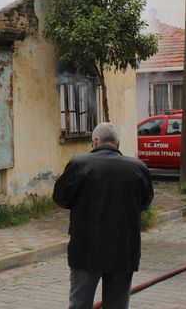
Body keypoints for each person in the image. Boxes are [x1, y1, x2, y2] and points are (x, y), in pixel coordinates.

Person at [53, 122, 154, 309]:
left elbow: (61, 198)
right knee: (117, 305)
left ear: (95, 141)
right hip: (123, 249)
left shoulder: (79, 164)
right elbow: (145, 202)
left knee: (80, 303)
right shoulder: (138, 168)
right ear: (118, 143)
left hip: (86, 247)